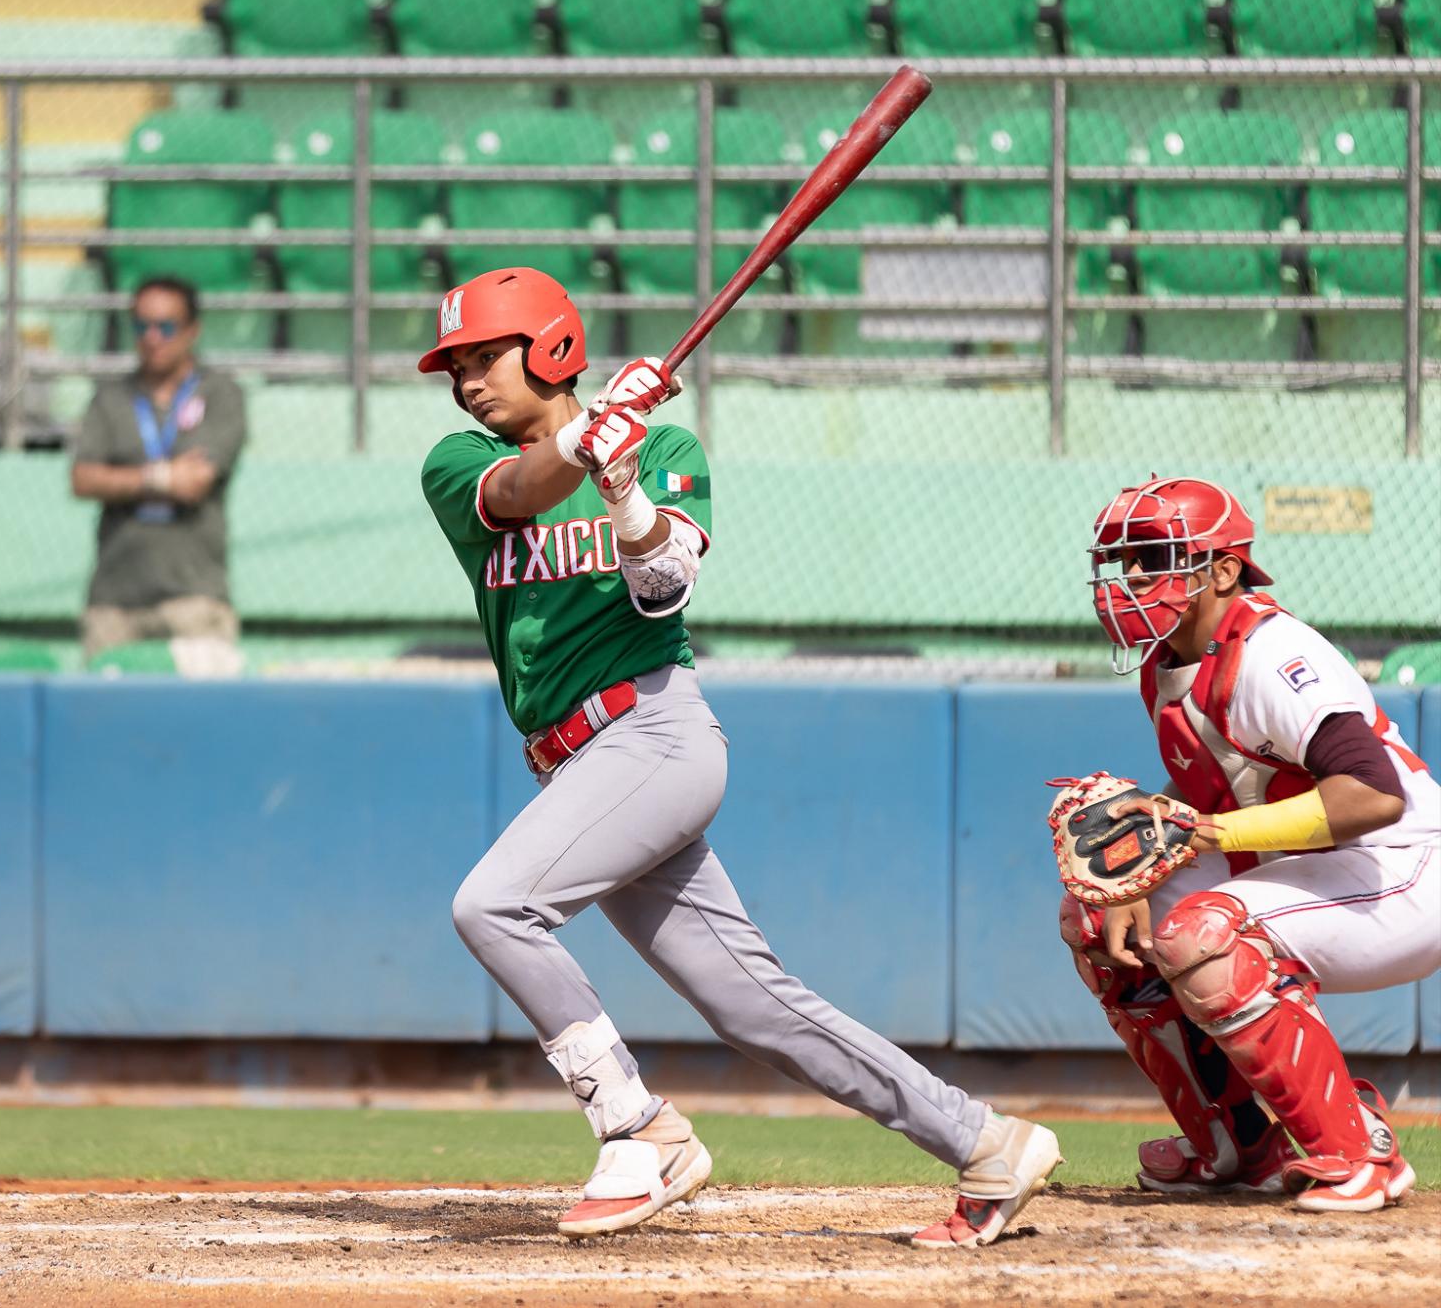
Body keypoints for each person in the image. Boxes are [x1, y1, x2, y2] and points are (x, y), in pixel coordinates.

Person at [417, 267, 1061, 1248]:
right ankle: (982, 1138)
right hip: (574, 763)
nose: (465, 379)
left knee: (492, 904)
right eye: (453, 363)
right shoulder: (455, 460)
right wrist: (581, 447)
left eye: (482, 354)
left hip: (653, 732)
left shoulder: (663, 442)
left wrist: (623, 484)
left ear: (549, 348)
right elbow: (512, 490)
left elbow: (664, 586)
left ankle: (636, 1128)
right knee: (752, 1006)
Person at [1063, 476, 1440, 1211]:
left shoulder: (1273, 653)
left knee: (1207, 933)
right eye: (1126, 560)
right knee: (1093, 919)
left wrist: (1206, 831)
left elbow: (1372, 793)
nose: (1134, 577)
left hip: (1408, 866)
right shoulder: (1167, 664)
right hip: (1322, 869)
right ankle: (1235, 1149)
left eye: (1158, 556)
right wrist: (1139, 874)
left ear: (1224, 570)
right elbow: (1215, 806)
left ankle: (1361, 1156)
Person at [71, 276, 247, 675]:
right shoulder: (110, 398)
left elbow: (196, 482)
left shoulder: (220, 393)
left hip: (194, 597)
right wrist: (163, 478)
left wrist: (120, 477)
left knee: (205, 721)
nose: (153, 337)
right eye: (141, 326)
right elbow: (82, 479)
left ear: (191, 331)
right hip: (115, 600)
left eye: (166, 326)